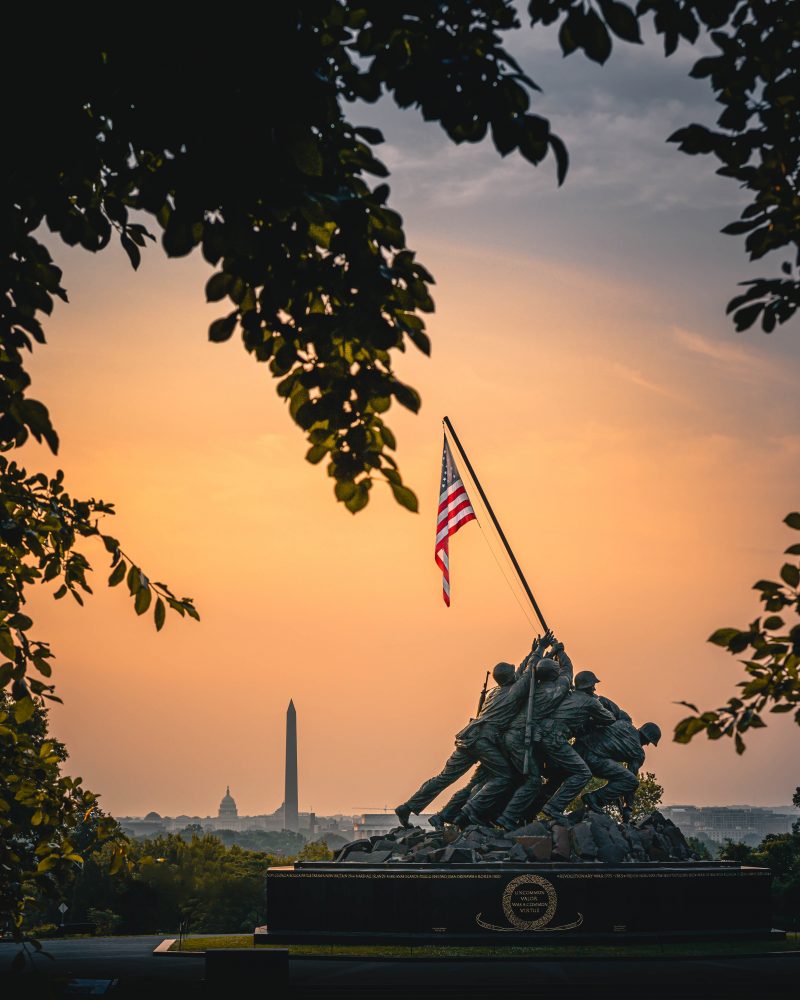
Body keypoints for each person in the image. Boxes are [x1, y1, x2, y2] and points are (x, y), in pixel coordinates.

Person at [395, 634, 552, 829]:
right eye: (513, 672)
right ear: (510, 677)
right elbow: (528, 674)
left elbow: (522, 671)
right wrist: (540, 650)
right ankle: (470, 812)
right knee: (504, 776)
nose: (516, 672)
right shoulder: (513, 693)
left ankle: (408, 806)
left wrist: (534, 651)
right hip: (483, 740)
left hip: (468, 736)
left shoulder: (496, 691)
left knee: (445, 777)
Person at [535, 663, 616, 822]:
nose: (594, 688)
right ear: (588, 686)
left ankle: (527, 811)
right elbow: (609, 719)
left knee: (555, 774)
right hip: (555, 738)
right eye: (593, 685)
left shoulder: (568, 694)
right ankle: (554, 806)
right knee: (583, 773)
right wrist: (596, 702)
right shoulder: (590, 701)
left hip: (541, 735)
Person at [577, 721, 661, 821]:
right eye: (649, 742)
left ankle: (593, 802)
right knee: (631, 781)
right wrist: (628, 808)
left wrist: (615, 790)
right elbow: (630, 782)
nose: (647, 744)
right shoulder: (638, 752)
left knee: (622, 776)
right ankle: (595, 798)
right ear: (647, 739)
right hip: (594, 758)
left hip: (580, 747)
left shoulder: (624, 723)